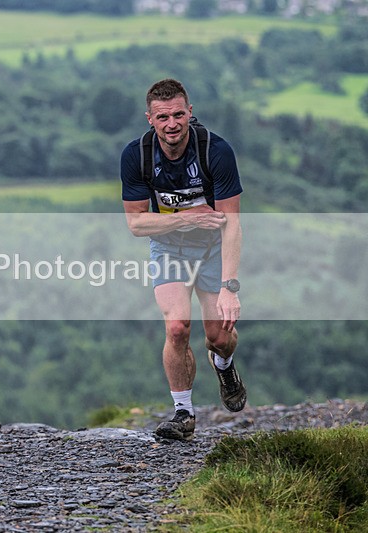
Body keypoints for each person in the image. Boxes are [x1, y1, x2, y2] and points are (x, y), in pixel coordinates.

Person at [120, 78, 247, 441]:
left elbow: (233, 224)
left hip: (212, 250)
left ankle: (223, 364)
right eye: (163, 117)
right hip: (169, 248)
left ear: (190, 113)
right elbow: (136, 223)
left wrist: (229, 288)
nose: (171, 123)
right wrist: (187, 217)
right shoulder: (137, 155)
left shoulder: (215, 151)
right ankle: (183, 413)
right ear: (150, 119)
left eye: (178, 114)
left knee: (218, 338)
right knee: (177, 327)